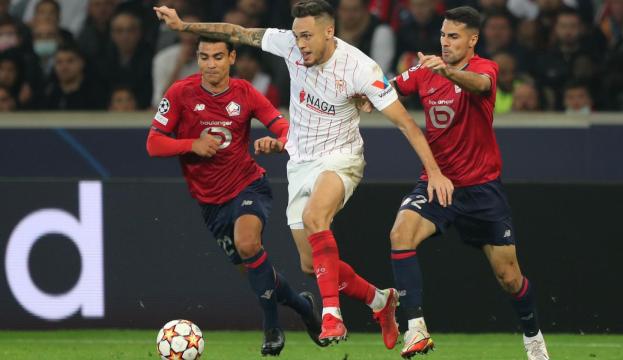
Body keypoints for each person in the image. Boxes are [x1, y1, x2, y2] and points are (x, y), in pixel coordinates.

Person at [154, 0, 454, 348]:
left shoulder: (360, 68)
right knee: (312, 265)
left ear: (329, 32)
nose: (301, 44)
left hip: (342, 158)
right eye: (297, 36)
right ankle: (378, 300)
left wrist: (434, 172)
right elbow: (237, 32)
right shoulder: (290, 45)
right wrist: (183, 26)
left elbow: (406, 123)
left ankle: (331, 316)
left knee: (315, 217)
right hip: (300, 162)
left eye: (308, 36)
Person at [386, 6, 550, 359]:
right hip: (438, 183)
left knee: (509, 277)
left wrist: (446, 71)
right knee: (400, 233)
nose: (445, 42)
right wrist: (360, 91)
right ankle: (415, 330)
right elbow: (388, 92)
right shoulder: (424, 71)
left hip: (481, 190)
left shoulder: (483, 69)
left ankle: (533, 338)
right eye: (443, 35)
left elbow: (481, 85)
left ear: (473, 40)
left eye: (454, 36)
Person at [145, 36, 322, 357]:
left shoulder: (245, 93)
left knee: (248, 244)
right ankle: (303, 306)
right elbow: (153, 143)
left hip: (248, 185)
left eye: (217, 57)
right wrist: (191, 144)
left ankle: (271, 329)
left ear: (231, 58)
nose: (210, 64)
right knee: (255, 271)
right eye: (203, 57)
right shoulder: (180, 93)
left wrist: (279, 140)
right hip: (211, 205)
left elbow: (282, 126)